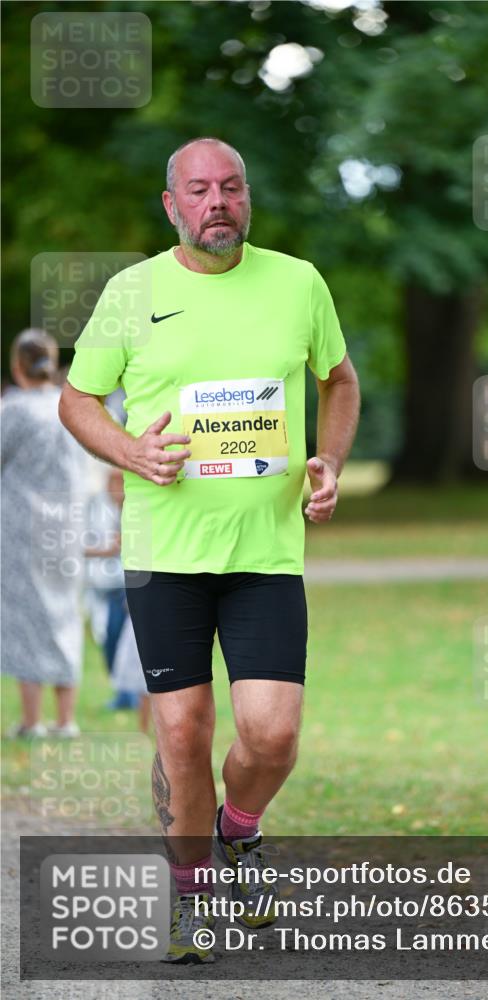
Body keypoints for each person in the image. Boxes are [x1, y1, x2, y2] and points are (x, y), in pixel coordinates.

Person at [59, 137, 360, 964]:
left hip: (265, 550)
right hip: (165, 553)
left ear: (247, 197)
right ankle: (190, 901)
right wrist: (131, 453)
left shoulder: (298, 282)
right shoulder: (131, 293)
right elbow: (78, 399)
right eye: (198, 190)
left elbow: (339, 380)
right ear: (172, 205)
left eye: (230, 187)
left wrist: (328, 461)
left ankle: (240, 830)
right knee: (182, 733)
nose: (217, 202)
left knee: (271, 735)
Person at [1, 329, 84, 739]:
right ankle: (66, 720)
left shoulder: (14, 410)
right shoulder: (71, 407)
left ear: (18, 366)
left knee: (26, 619)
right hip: (67, 524)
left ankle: (33, 721)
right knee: (65, 614)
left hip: (23, 528)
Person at [83, 465, 138, 709]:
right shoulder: (98, 511)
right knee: (109, 641)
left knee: (129, 644)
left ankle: (131, 694)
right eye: (112, 483)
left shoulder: (138, 511)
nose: (116, 489)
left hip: (130, 588)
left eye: (120, 483)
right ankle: (123, 692)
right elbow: (83, 545)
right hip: (106, 589)